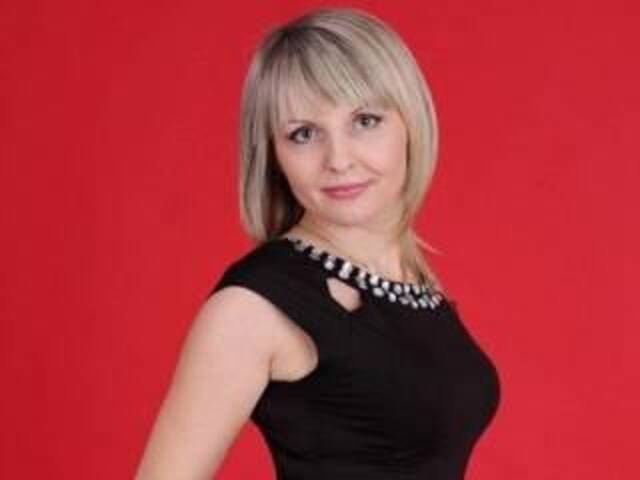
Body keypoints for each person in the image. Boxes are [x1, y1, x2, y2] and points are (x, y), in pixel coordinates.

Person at [135, 7, 501, 479]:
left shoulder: (407, 275)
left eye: (365, 120)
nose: (339, 160)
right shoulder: (253, 306)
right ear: (273, 154)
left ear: (410, 123)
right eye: (304, 134)